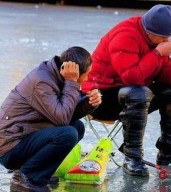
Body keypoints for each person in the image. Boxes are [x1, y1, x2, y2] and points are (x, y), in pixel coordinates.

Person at [81, 4, 171, 177]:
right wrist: (157, 54)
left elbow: (161, 70)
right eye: (162, 38)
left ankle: (168, 149)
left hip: (128, 94)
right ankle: (132, 157)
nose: (165, 42)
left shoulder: (156, 41)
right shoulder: (125, 35)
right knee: (137, 93)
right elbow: (131, 77)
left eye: (167, 37)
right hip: (99, 98)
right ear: (148, 31)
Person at [0, 46, 102, 191]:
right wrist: (72, 83)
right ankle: (27, 179)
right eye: (86, 74)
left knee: (77, 127)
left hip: (24, 136)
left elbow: (64, 117)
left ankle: (36, 171)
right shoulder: (42, 81)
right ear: (74, 72)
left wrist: (88, 104)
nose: (86, 79)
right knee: (68, 134)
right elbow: (61, 119)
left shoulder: (56, 76)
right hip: (9, 147)